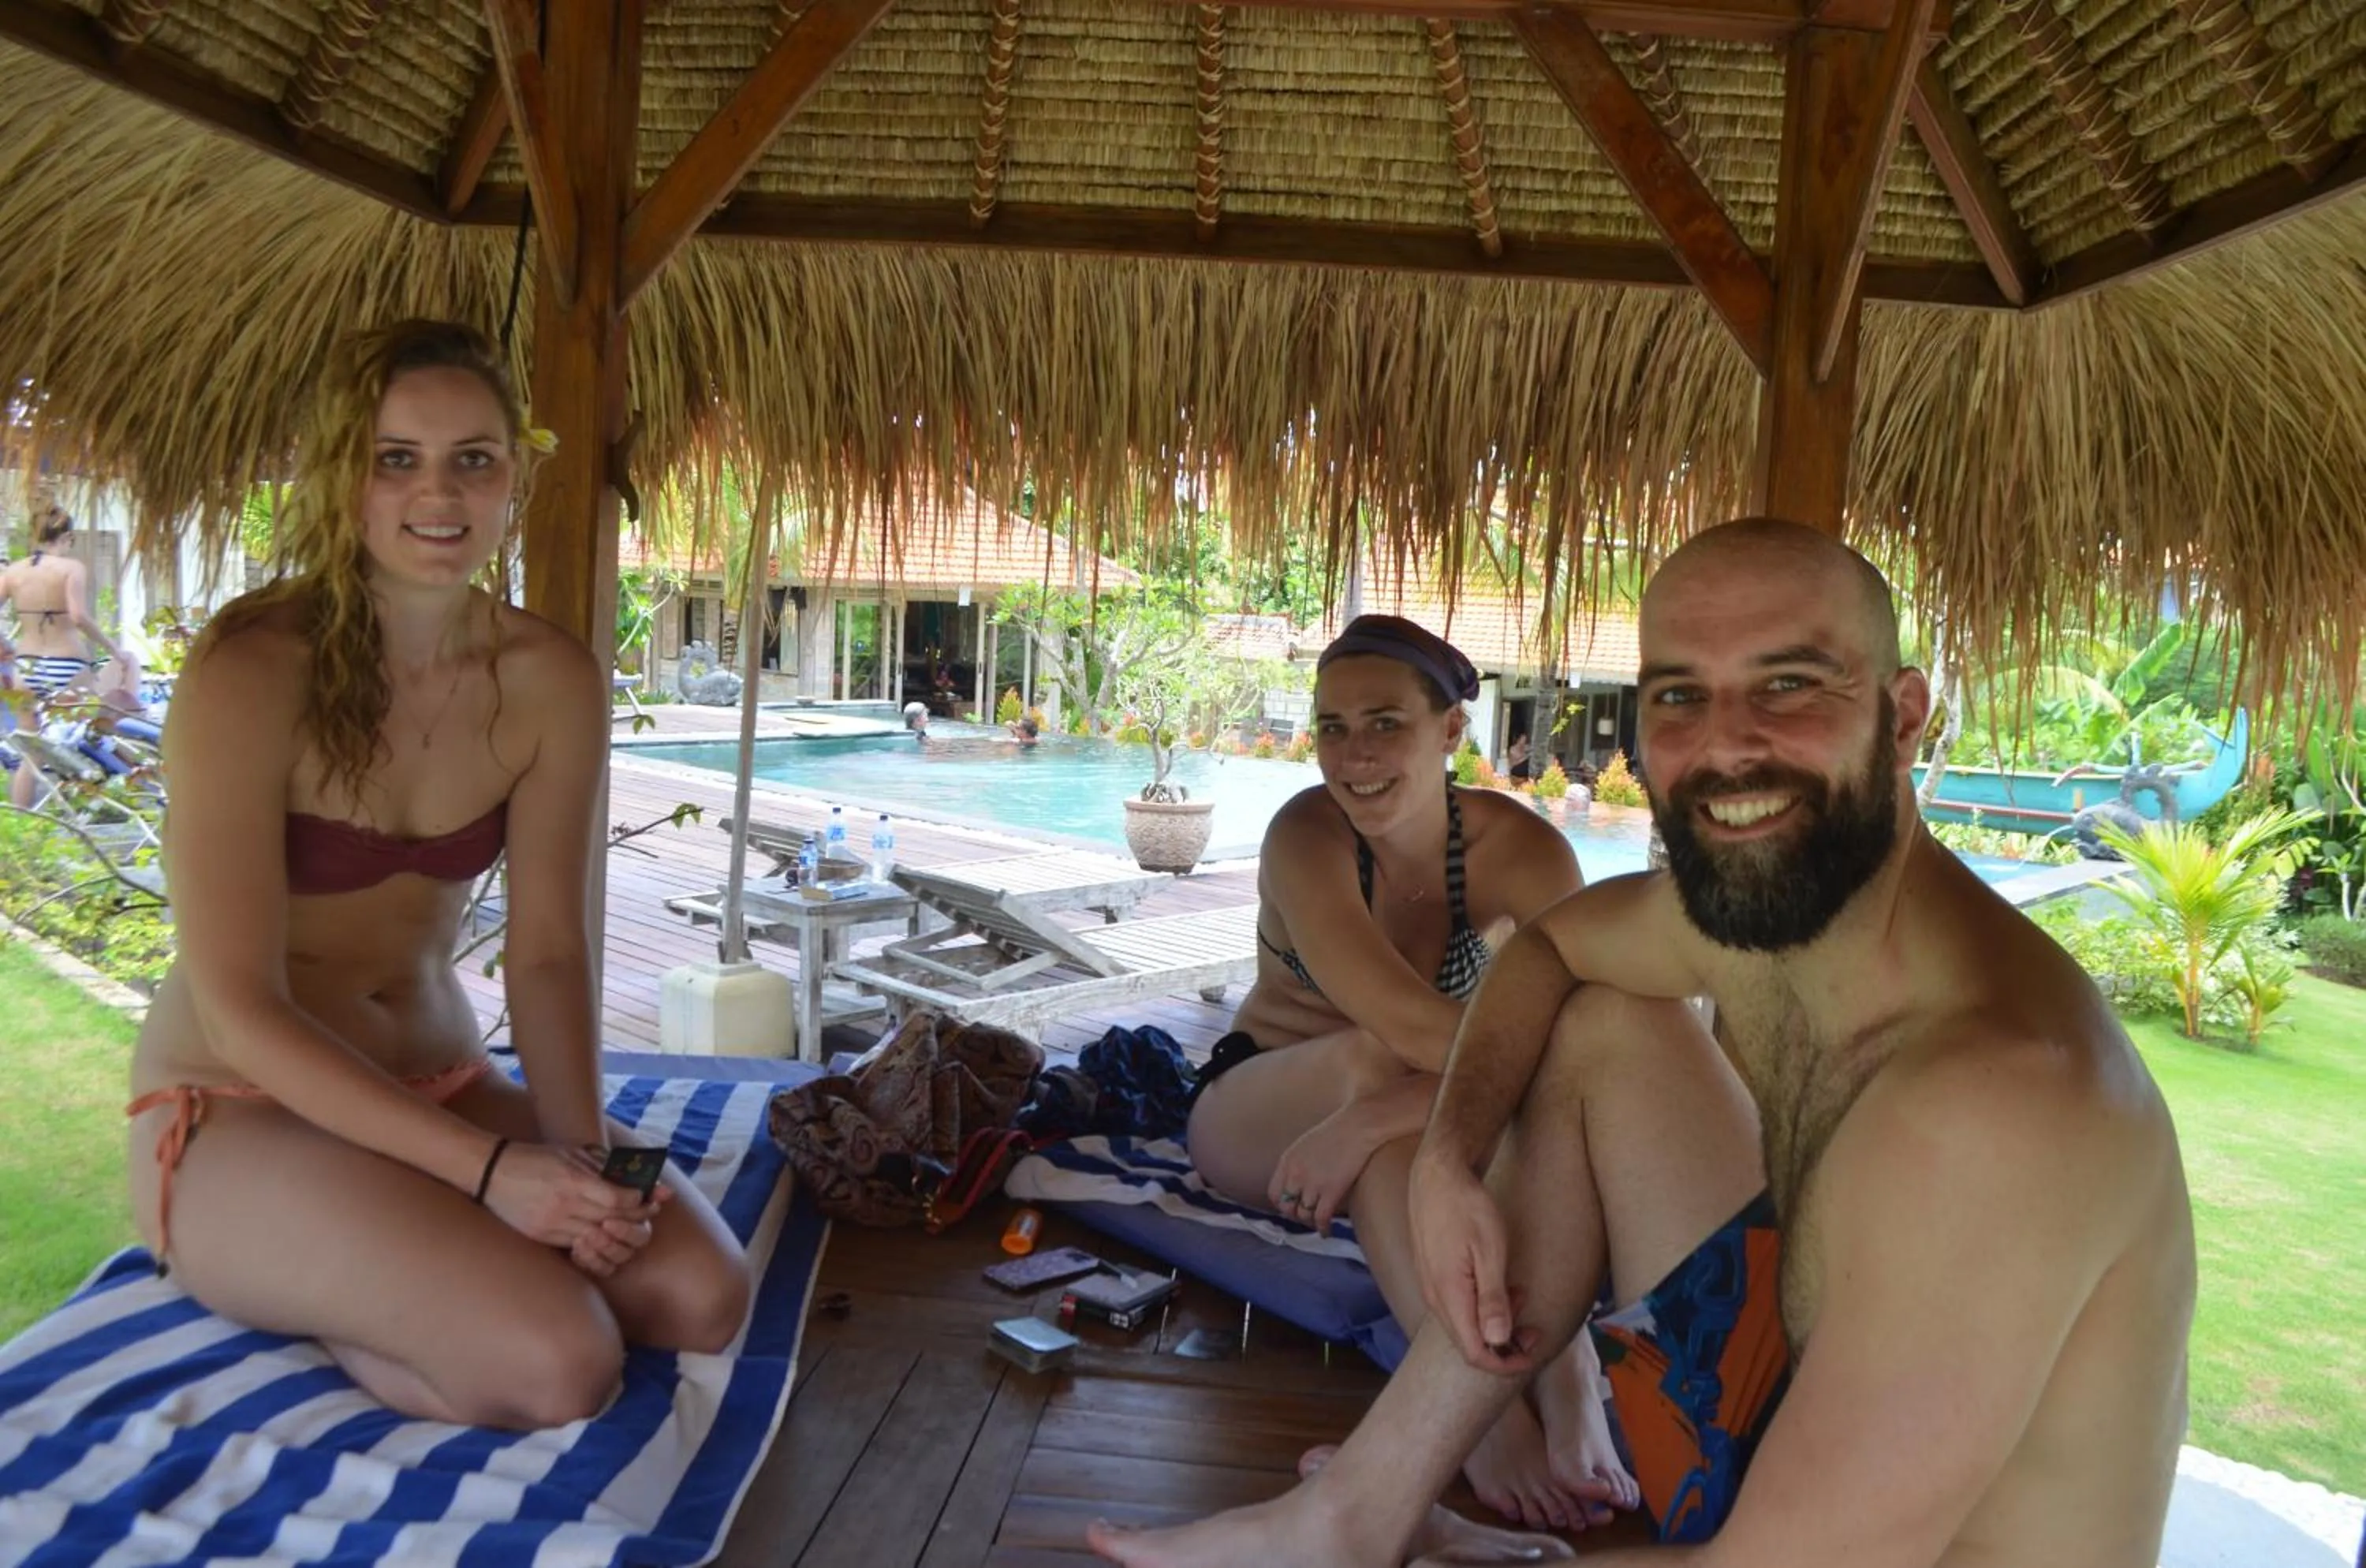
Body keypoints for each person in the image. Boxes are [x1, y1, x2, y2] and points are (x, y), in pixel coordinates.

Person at [1091, 517, 2195, 1568]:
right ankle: (1356, 1510)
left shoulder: (2001, 1098)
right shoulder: (1777, 917)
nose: (1726, 744)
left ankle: (1375, 1529)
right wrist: (1446, 1157)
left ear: (1902, 718)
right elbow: (1552, 952)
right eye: (1680, 695)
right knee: (1607, 1017)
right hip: (1760, 1417)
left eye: (1788, 684)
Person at [125, 319, 751, 1430]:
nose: (440, 493)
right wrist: (490, 1175)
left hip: (443, 1081)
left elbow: (547, 951)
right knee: (561, 1361)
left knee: (701, 1295)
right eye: (396, 458)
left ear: (515, 476)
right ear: (343, 474)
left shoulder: (548, 677)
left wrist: (579, 1163)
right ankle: (336, 1305)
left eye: (474, 458)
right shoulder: (252, 671)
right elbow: (239, 1008)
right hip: (243, 1107)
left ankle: (412, 1257)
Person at [1184, 614, 1640, 1533]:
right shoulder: (1307, 836)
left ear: (1449, 730)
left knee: (1410, 1142)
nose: (1354, 754)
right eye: (1333, 726)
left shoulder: (1522, 852)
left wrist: (1370, 1121)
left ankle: (1562, 1368)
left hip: (1392, 1120)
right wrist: (1389, 1104)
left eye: (1385, 722)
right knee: (1379, 1062)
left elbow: (1591, 1029)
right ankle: (1487, 1417)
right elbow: (1401, 1026)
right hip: (1262, 1107)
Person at [1, 502, 142, 807]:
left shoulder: (13, 572)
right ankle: (126, 778)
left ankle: (22, 820)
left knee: (31, 752)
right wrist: (113, 649)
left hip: (25, 667)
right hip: (66, 665)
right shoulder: (71, 568)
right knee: (106, 709)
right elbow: (78, 616)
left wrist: (5, 647)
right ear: (66, 537)